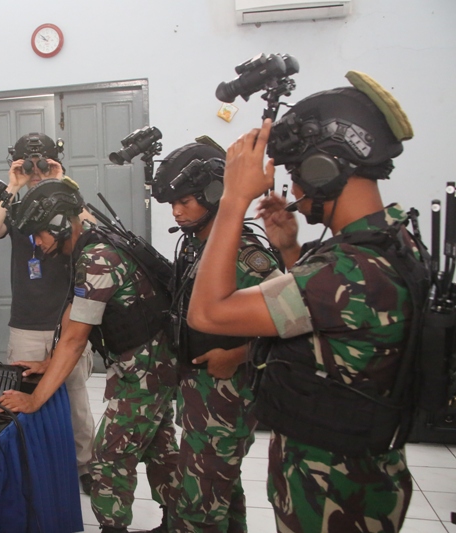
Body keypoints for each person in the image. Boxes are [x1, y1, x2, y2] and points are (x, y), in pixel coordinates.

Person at [186, 72, 419, 532]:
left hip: (331, 488)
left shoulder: (349, 270)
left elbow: (208, 311)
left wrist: (233, 200)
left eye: (296, 174)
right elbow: (326, 322)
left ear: (324, 169)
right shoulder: (391, 242)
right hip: (361, 470)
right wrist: (291, 252)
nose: (292, 190)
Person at [0, 179, 179, 533]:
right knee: (160, 446)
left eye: (39, 234)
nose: (36, 242)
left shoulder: (97, 258)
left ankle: (114, 527)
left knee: (109, 460)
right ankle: (178, 522)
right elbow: (76, 309)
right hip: (157, 365)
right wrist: (49, 363)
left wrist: (34, 400)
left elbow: (75, 340)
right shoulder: (95, 243)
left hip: (143, 372)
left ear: (61, 225)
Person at [151, 138, 278, 532]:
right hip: (199, 394)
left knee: (198, 504)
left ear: (214, 195)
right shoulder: (195, 246)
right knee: (222, 489)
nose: (177, 212)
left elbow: (288, 324)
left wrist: (236, 355)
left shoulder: (242, 253)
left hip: (227, 398)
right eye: (172, 204)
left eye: (185, 202)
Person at [0, 132, 95, 495]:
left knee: (75, 399)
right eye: (30, 165)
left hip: (69, 322)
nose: (37, 171)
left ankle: (85, 465)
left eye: (44, 164)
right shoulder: (17, 208)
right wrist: (14, 185)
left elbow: (94, 230)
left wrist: (60, 184)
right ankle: (34, 462)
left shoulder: (67, 204)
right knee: (25, 395)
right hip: (26, 322)